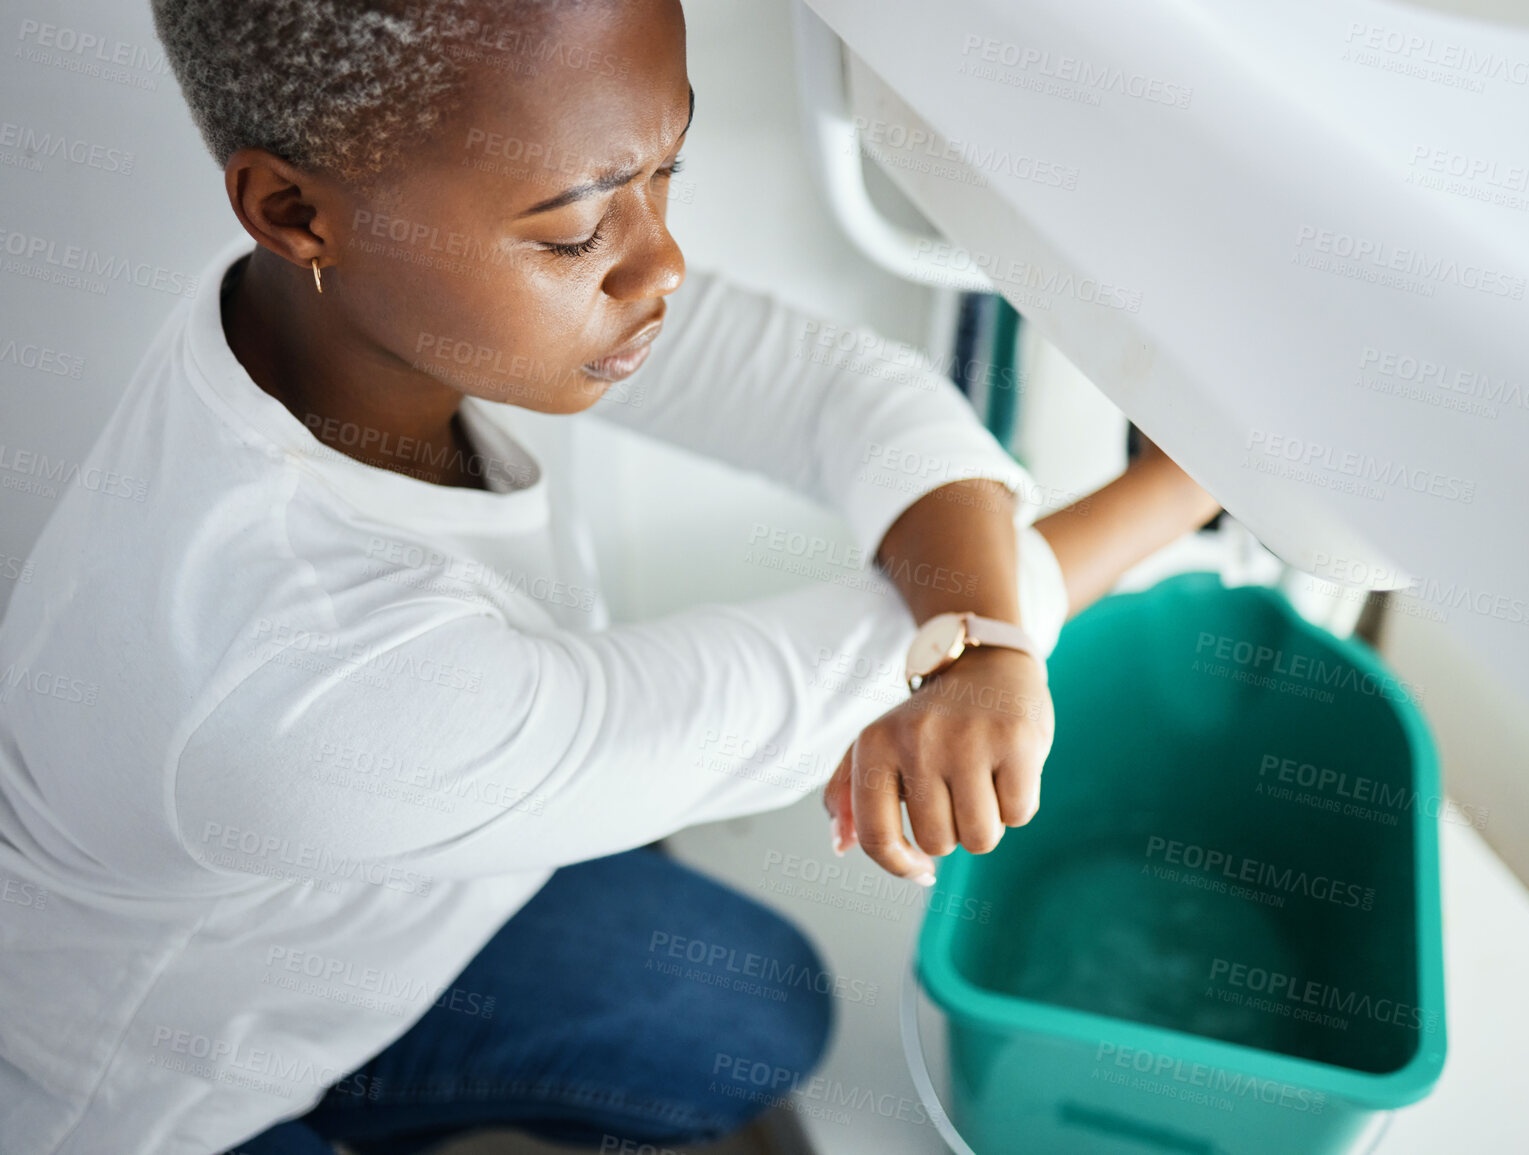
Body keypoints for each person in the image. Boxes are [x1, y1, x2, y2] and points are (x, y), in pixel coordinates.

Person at [0, 1, 1220, 1152]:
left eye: (666, 171)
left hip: (364, 906)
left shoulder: (343, 318)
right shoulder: (291, 678)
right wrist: (1168, 496)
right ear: (294, 212)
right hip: (159, 1094)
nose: (663, 265)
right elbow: (808, 691)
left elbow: (832, 389)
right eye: (577, 228)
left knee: (760, 1013)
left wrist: (983, 633)